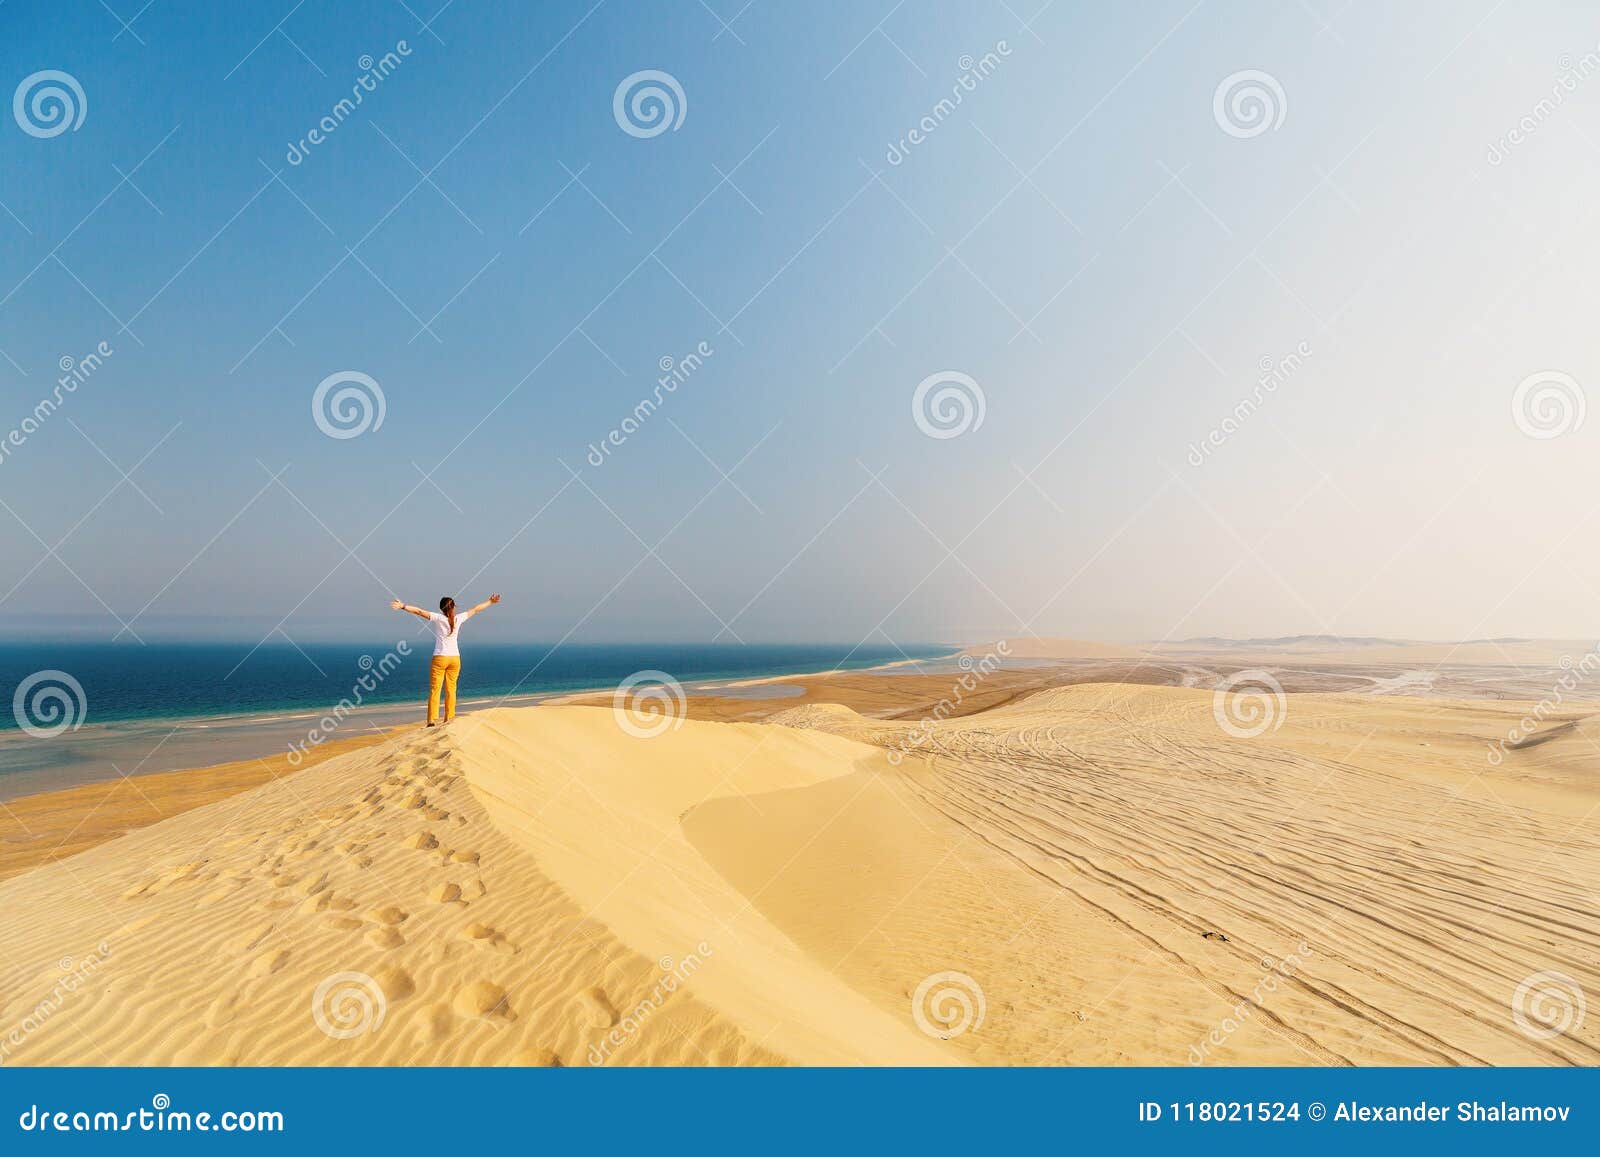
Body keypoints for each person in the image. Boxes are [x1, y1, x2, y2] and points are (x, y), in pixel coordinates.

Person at [390, 593, 501, 725]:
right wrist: (490, 602)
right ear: (454, 607)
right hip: (455, 659)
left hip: (440, 658)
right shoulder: (459, 618)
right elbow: (476, 609)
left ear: (441, 608)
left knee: (435, 689)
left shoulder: (438, 618)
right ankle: (448, 717)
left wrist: (403, 606)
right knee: (451, 689)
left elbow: (419, 611)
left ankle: (431, 720)